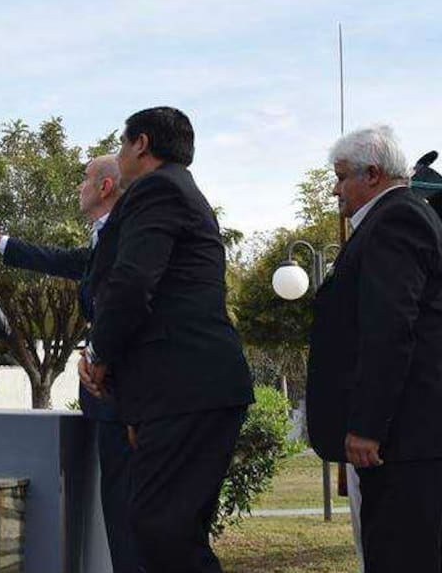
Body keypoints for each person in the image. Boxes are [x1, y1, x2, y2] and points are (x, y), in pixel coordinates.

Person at [83, 107, 253, 573]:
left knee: (162, 529)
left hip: (188, 388)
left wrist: (100, 351)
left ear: (141, 144)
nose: (118, 157)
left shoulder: (159, 189)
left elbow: (134, 282)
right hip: (184, 391)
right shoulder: (177, 190)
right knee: (166, 529)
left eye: (121, 145)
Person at [307, 127, 442, 573]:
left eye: (341, 176)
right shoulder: (405, 217)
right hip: (424, 433)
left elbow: (389, 329)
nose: (335, 188)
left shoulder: (394, 220)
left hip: (407, 438)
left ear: (373, 174)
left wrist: (367, 425)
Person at [0, 154, 136, 569]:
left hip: (123, 394)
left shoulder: (126, 236)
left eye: (84, 179)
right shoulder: (102, 239)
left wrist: (98, 353)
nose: (79, 186)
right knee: (116, 506)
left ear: (105, 187)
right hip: (107, 397)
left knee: (128, 507)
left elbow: (127, 302)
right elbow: (58, 259)